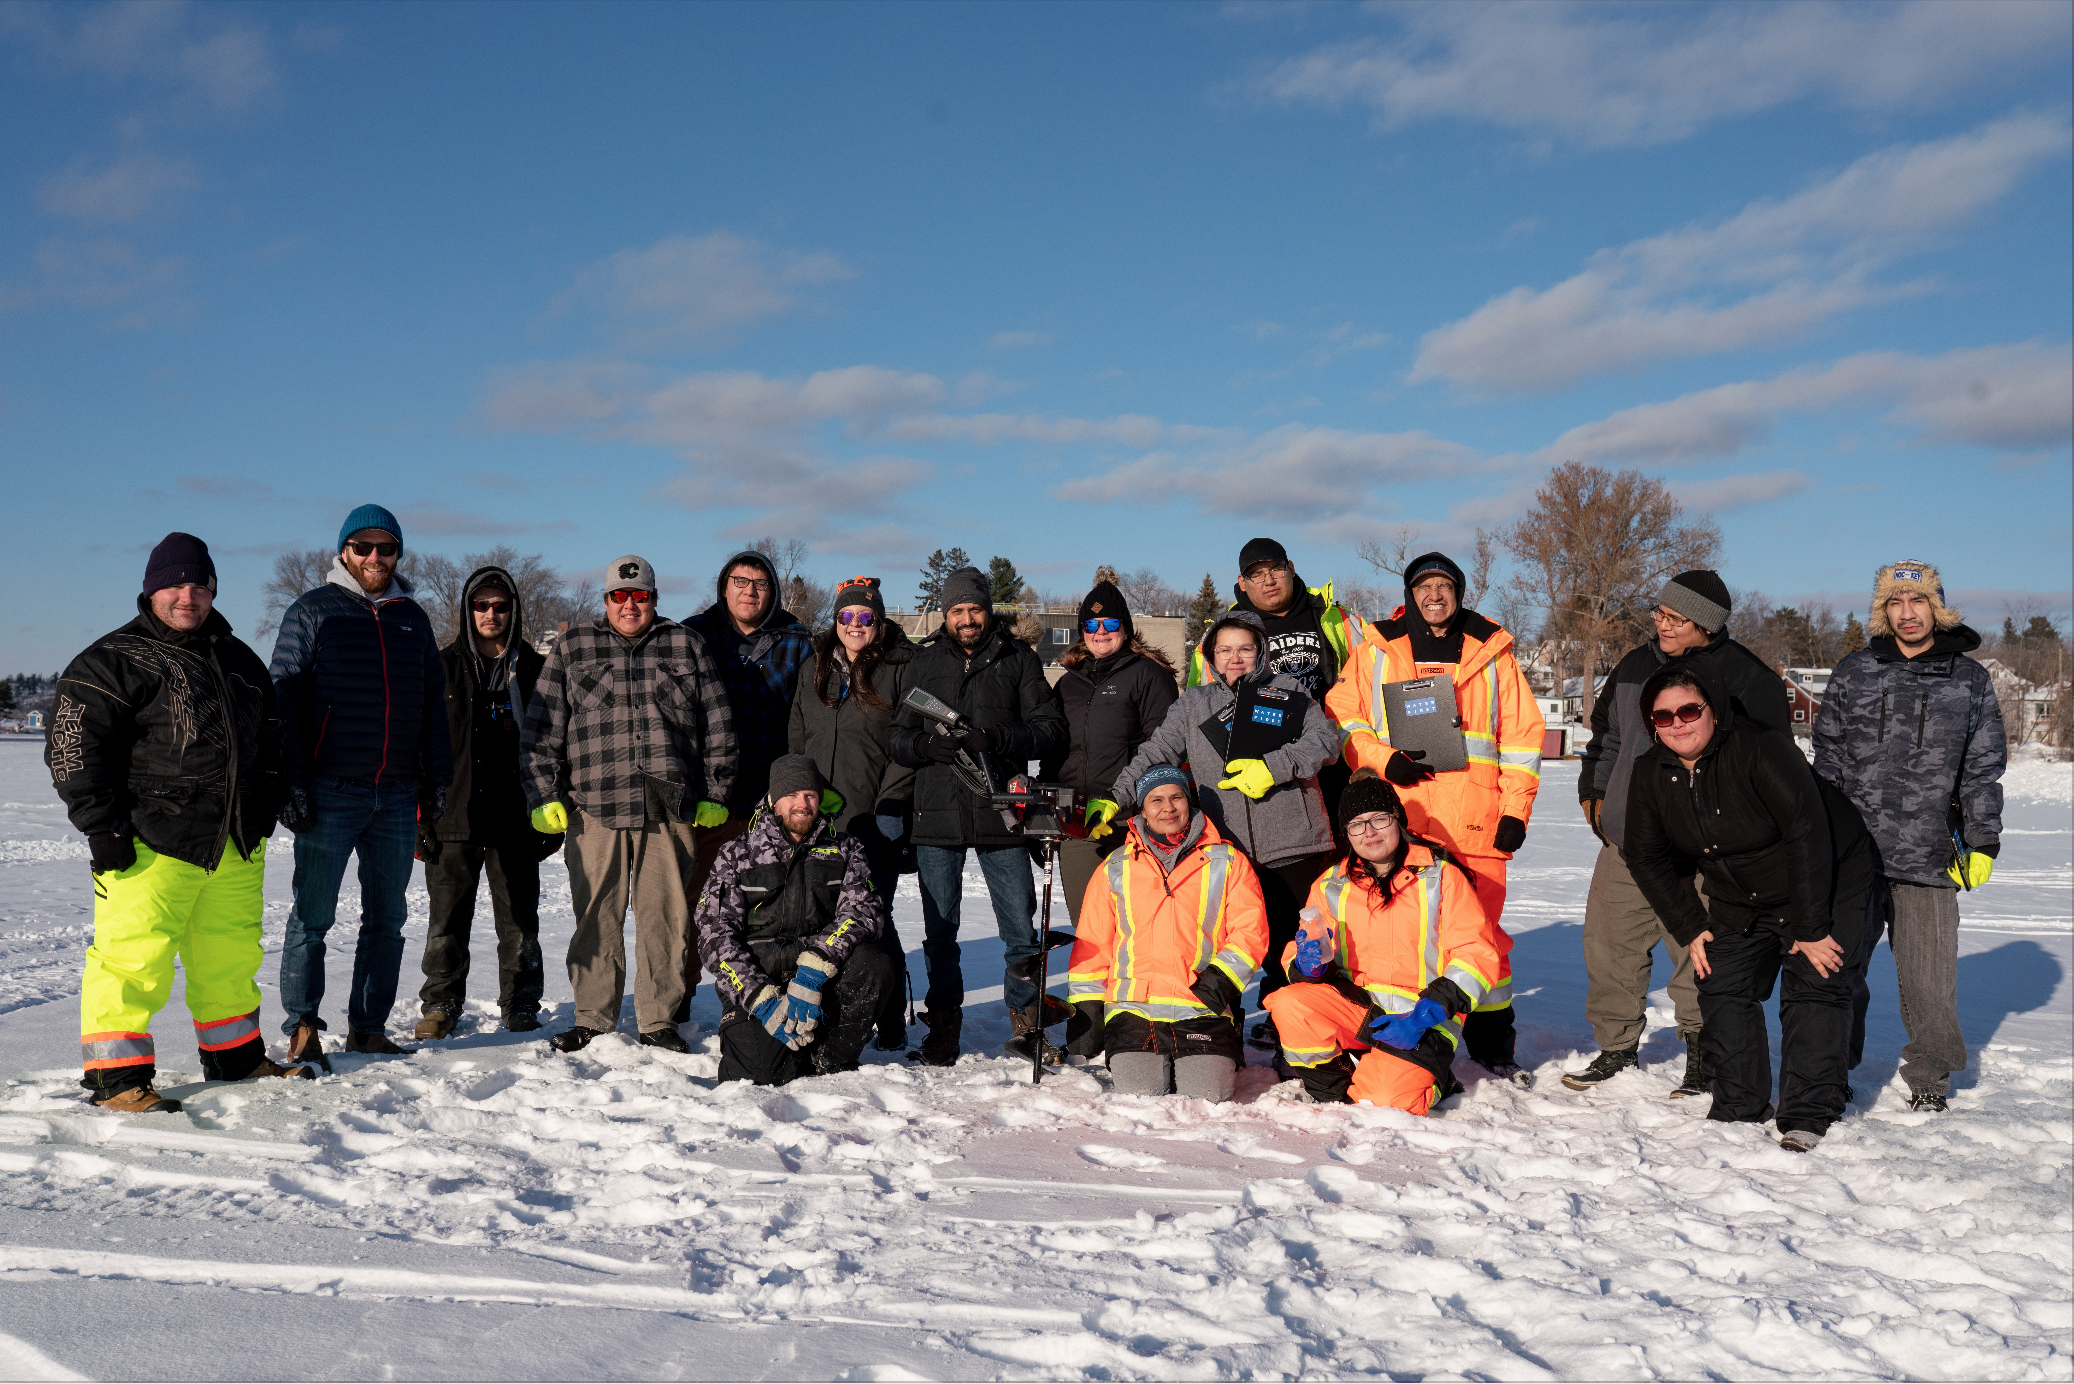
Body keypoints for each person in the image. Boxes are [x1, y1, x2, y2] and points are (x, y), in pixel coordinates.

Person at [48, 533, 314, 1111]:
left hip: (236, 842)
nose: (187, 596)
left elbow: (272, 740)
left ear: (214, 589)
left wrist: (268, 807)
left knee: (231, 955)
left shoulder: (240, 659)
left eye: (199, 585)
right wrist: (103, 827)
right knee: (130, 960)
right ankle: (117, 1080)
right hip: (152, 839)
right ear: (150, 590)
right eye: (174, 584)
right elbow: (73, 749)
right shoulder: (110, 660)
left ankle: (236, 1058)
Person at [1625, 664, 1874, 1153]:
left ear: (1712, 711)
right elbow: (1645, 855)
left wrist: (1810, 926)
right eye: (1663, 716)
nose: (1678, 723)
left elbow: (1807, 835)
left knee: (1815, 981)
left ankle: (1807, 1111)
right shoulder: (1651, 774)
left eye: (1689, 710)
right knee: (1720, 978)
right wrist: (1691, 925)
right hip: (1740, 890)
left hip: (1828, 875)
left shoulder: (1761, 751)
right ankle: (1739, 1104)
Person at [1566, 570, 1791, 1095]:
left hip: (1701, 849)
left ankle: (1701, 1050)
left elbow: (1770, 769)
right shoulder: (1635, 665)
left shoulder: (1748, 680)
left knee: (1698, 948)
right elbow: (1606, 737)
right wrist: (1594, 797)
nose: (1660, 624)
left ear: (1705, 626)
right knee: (1608, 944)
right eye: (1659, 613)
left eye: (1674, 618)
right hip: (1626, 840)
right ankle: (1617, 1046)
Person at [1326, 552, 1543, 1083]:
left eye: (1444, 585)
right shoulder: (1376, 648)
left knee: (1483, 937)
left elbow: (1521, 740)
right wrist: (1381, 760)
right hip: (1406, 818)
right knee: (1398, 932)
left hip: (1476, 822)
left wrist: (1515, 810)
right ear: (1410, 594)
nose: (1434, 595)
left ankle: (1493, 1042)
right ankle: (1400, 1032)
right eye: (1423, 586)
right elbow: (1341, 716)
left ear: (1459, 592)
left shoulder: (1493, 653)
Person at [521, 555, 735, 1055]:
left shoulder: (686, 644)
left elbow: (719, 726)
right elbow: (541, 730)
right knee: (596, 912)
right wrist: (543, 794)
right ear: (606, 600)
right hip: (594, 805)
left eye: (640, 596)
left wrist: (716, 793)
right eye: (620, 595)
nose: (630, 604)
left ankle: (659, 1020)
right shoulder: (574, 646)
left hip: (671, 806)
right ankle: (593, 1017)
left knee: (666, 915)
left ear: (655, 599)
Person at [1814, 560, 2005, 1113]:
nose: (1906, 613)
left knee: (1929, 984)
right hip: (1854, 855)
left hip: (1930, 855)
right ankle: (1831, 1072)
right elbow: (1827, 758)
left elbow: (1982, 767)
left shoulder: (1968, 679)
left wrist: (1983, 840)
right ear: (1883, 612)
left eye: (1917, 602)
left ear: (1937, 608)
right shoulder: (1855, 671)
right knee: (1840, 970)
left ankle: (1929, 1080)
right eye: (1894, 604)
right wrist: (1820, 834)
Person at [270, 504, 452, 1071]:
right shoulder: (313, 611)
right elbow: (285, 702)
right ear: (344, 551)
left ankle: (368, 1028)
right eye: (364, 547)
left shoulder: (412, 620)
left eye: (387, 548)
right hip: (331, 790)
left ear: (398, 553)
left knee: (388, 919)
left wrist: (436, 783)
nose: (375, 558)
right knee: (313, 916)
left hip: (396, 794)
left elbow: (432, 714)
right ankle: (302, 1025)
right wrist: (292, 783)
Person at [1116, 609, 1341, 1054]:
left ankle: (1291, 1031)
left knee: (1289, 946)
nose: (1234, 658)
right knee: (1224, 948)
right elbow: (1156, 751)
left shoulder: (1290, 692)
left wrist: (1273, 767)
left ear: (1259, 652)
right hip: (1222, 850)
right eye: (1225, 650)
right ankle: (1223, 1033)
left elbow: (1326, 743)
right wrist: (1118, 794)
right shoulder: (1193, 704)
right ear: (1211, 656)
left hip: (1293, 842)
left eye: (1244, 648)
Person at [888, 565, 1068, 1065]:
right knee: (940, 933)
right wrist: (925, 745)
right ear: (945, 614)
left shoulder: (1019, 659)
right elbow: (897, 738)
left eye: (975, 609)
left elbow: (1050, 729)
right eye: (957, 610)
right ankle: (943, 1027)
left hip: (1002, 813)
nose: (967, 618)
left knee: (1019, 930)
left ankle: (1028, 1025)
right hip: (936, 815)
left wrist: (1003, 738)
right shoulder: (922, 665)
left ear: (988, 610)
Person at [1264, 769, 1508, 1112]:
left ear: (1399, 821)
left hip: (1422, 1016)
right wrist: (1306, 964)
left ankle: (1436, 1081)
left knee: (1383, 1101)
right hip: (1358, 1006)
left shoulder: (1442, 877)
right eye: (1357, 824)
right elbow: (1300, 948)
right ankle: (1336, 1090)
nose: (1369, 832)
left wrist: (1425, 1014)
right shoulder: (1330, 883)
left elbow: (1476, 955)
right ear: (1346, 833)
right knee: (1290, 1001)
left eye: (1379, 819)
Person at [415, 565, 560, 1040]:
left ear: (512, 611)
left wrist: (552, 814)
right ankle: (440, 1004)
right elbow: (417, 744)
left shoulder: (537, 671)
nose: (491, 613)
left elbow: (558, 744)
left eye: (500, 605)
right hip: (452, 817)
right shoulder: (439, 667)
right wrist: (420, 817)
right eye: (482, 605)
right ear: (467, 609)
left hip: (517, 820)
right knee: (446, 923)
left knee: (520, 922)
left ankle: (520, 1004)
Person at [1066, 764, 1267, 1101]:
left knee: (1207, 1097)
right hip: (1133, 1010)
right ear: (1142, 809)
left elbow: (1251, 931)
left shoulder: (1228, 860)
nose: (1168, 807)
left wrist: (1219, 984)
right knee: (1141, 1095)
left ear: (1189, 802)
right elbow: (1093, 944)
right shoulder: (1115, 866)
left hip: (1202, 1005)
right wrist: (1086, 1013)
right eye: (1156, 799)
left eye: (1176, 797)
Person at [1043, 576, 1180, 1060]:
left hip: (1132, 824)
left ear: (1126, 627)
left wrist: (1131, 806)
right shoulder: (1069, 683)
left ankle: (1138, 1028)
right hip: (1079, 824)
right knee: (1090, 930)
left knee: (1140, 926)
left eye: (1110, 622)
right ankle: (1086, 1035)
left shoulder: (1148, 676)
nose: (1101, 631)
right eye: (1092, 624)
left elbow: (1164, 750)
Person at [694, 755, 896, 1085]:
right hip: (761, 986)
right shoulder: (736, 853)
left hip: (822, 983)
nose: (802, 804)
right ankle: (780, 1045)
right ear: (774, 802)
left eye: (810, 795)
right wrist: (757, 996)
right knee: (758, 1077)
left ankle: (831, 1058)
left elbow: (863, 913)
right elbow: (714, 932)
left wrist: (813, 972)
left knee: (875, 963)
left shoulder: (845, 849)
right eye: (791, 796)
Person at [788, 575, 917, 1050]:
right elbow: (798, 736)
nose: (855, 624)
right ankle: (833, 1003)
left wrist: (890, 806)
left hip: (874, 811)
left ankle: (890, 1016)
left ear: (879, 623)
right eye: (846, 616)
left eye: (865, 617)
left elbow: (907, 747)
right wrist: (802, 794)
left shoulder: (900, 668)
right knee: (826, 913)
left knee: (873, 914)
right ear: (835, 621)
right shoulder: (815, 668)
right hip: (820, 814)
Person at [682, 550, 813, 1010]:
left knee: (763, 904)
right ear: (724, 587)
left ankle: (758, 995)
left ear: (772, 591)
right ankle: (679, 995)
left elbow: (809, 715)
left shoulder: (796, 640)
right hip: (707, 795)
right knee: (696, 901)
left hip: (767, 796)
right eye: (740, 581)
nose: (749, 591)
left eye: (760, 583)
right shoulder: (693, 634)